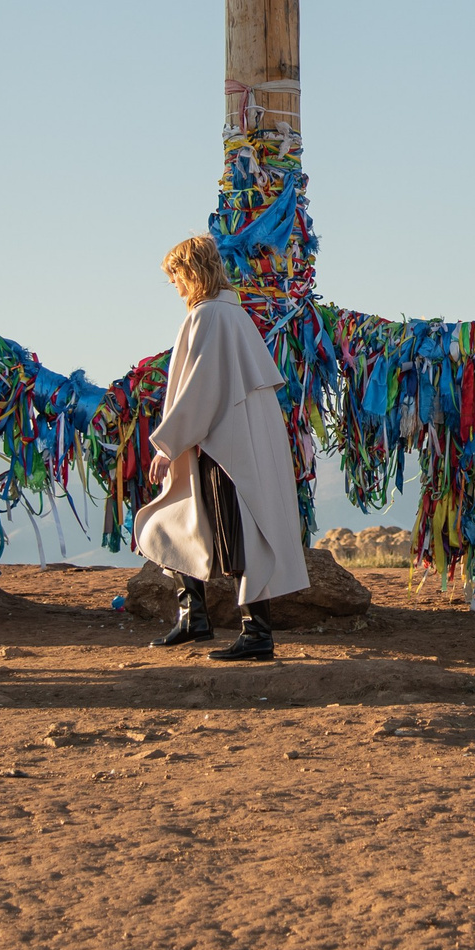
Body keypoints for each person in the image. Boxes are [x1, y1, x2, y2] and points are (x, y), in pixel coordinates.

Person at [133, 234, 310, 662]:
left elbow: (200, 392)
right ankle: (195, 616)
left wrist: (167, 446)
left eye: (176, 277)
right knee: (183, 524)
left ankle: (256, 633)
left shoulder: (208, 316)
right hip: (232, 442)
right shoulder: (232, 315)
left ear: (191, 273)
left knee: (236, 535)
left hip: (223, 447)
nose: (175, 287)